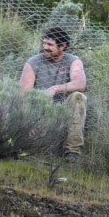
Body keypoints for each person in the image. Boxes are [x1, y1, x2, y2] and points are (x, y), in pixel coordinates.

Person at [20, 27, 87, 162]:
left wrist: (55, 89)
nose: (45, 47)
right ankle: (26, 145)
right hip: (39, 111)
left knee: (78, 97)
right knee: (23, 102)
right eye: (44, 43)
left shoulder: (73, 61)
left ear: (63, 46)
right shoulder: (33, 62)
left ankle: (72, 153)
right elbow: (23, 94)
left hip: (63, 111)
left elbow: (80, 83)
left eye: (50, 44)